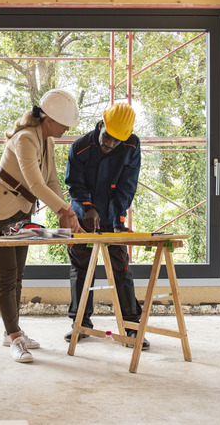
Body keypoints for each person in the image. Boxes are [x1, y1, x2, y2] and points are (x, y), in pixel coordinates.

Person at [0, 89, 85, 363]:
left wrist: (67, 214)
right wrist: (65, 211)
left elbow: (50, 183)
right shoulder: (26, 139)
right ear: (49, 119)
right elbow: (36, 184)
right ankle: (14, 339)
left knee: (17, 275)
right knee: (6, 275)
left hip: (20, 212)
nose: (67, 129)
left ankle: (11, 332)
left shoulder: (46, 140)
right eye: (64, 124)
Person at [63, 102, 149, 350]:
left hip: (113, 215)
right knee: (81, 270)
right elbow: (74, 184)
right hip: (82, 217)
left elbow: (128, 185)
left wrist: (118, 218)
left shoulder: (131, 145)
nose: (110, 144)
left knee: (121, 269)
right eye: (107, 137)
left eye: (116, 141)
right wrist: (88, 208)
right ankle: (80, 324)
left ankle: (132, 328)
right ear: (101, 124)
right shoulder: (80, 148)